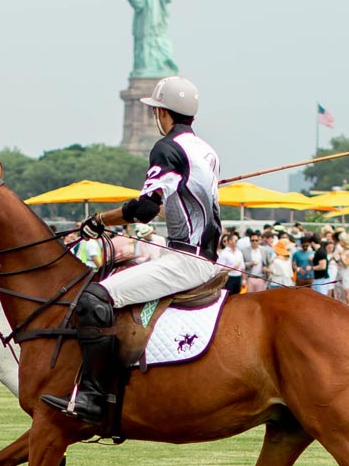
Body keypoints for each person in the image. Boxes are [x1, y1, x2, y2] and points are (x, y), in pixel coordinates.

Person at [41, 76, 220, 423]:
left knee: (94, 298)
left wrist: (99, 220)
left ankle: (93, 396)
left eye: (157, 112)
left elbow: (146, 208)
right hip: (205, 257)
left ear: (162, 114)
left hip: (184, 260)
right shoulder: (206, 151)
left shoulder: (167, 148)